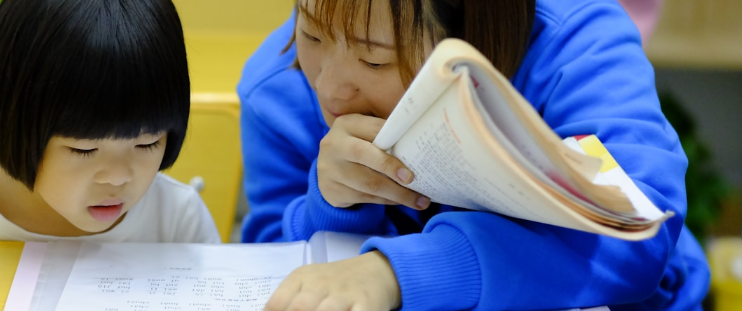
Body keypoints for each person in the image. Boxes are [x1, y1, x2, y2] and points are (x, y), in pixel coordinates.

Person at [237, 0, 709, 310]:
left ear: (471, 36)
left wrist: (399, 271)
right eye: (312, 34)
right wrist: (334, 207)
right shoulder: (276, 88)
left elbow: (635, 228)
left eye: (374, 59)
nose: (328, 86)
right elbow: (267, 268)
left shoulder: (575, 43)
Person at [0, 0, 220, 244]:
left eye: (148, 143)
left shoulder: (179, 220)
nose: (118, 177)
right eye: (84, 149)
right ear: (14, 120)